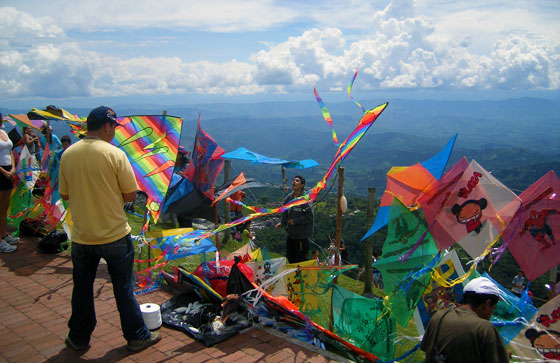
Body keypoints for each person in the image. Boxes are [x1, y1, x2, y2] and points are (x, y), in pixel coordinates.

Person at [59, 106, 161, 352]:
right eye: (114, 126)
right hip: (114, 233)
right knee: (123, 289)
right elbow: (129, 195)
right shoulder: (115, 154)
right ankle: (136, 336)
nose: (114, 131)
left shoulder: (68, 154)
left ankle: (78, 338)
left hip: (82, 236)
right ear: (106, 126)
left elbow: (65, 194)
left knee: (81, 289)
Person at [420, 277, 510, 363]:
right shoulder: (484, 328)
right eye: (493, 308)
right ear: (487, 303)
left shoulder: (439, 316)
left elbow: (425, 347)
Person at [275, 175, 313, 263]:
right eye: (293, 180)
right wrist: (282, 223)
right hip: (290, 236)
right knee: (290, 258)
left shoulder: (305, 199)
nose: (294, 182)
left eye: (297, 181)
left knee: (300, 261)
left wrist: (295, 221)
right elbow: (284, 211)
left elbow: (309, 217)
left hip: (301, 237)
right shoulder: (289, 197)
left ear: (302, 185)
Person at [0, 113, 18, 253]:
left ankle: (4, 234)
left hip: (8, 170)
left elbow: (10, 152)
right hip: (1, 172)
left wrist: (12, 168)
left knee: (4, 206)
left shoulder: (3, 132)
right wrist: (3, 172)